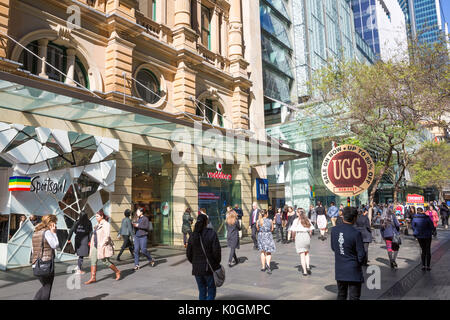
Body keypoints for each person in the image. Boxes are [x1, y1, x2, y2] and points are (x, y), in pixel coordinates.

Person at [331, 207, 366, 300]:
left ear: (343, 217)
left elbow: (334, 247)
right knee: (354, 296)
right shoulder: (356, 233)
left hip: (340, 268)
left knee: (341, 295)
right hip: (353, 269)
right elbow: (361, 254)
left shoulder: (334, 230)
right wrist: (358, 263)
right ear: (355, 218)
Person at [186, 214, 221, 300]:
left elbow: (188, 254)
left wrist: (194, 262)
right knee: (211, 289)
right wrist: (216, 264)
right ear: (206, 222)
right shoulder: (212, 233)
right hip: (209, 268)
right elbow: (217, 252)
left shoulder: (192, 235)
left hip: (197, 269)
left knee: (202, 290)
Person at [85, 210, 120, 284]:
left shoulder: (106, 224)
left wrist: (102, 244)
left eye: (97, 216)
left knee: (105, 261)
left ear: (102, 216)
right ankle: (93, 278)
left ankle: (117, 271)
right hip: (95, 245)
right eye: (95, 216)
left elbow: (107, 236)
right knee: (93, 260)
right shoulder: (98, 225)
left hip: (102, 246)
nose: (96, 218)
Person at [31, 214, 59, 300]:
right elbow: (55, 245)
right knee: (47, 287)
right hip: (46, 264)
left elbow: (32, 250)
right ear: (51, 223)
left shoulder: (36, 232)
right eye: (55, 222)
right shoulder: (47, 232)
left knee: (45, 286)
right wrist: (54, 233)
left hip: (36, 264)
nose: (56, 225)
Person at [290, 208, 315, 276]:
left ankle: (304, 271)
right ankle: (308, 266)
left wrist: (293, 237)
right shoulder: (307, 220)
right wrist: (309, 236)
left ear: (298, 213)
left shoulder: (296, 221)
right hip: (306, 236)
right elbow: (311, 230)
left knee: (302, 254)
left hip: (299, 236)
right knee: (306, 252)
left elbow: (293, 230)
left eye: (297, 212)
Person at [257, 210, 276, 274]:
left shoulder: (258, 221)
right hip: (268, 236)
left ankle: (263, 267)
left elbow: (258, 229)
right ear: (266, 214)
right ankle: (268, 264)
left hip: (261, 236)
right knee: (268, 252)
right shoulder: (270, 220)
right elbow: (272, 229)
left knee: (262, 251)